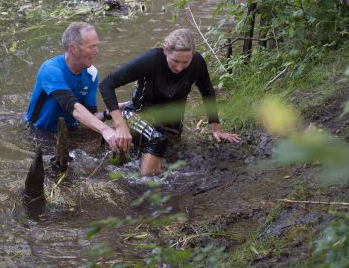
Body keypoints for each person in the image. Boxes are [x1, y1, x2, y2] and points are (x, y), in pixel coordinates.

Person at [99, 28, 241, 175]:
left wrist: (216, 128)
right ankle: (146, 185)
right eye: (175, 61)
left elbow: (207, 92)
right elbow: (107, 84)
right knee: (158, 139)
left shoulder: (197, 63)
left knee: (168, 148)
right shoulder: (151, 60)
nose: (179, 68)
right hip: (138, 114)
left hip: (171, 125)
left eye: (185, 62)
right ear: (165, 49)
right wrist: (120, 125)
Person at [26, 22, 120, 152]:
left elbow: (88, 120)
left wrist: (108, 113)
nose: (96, 52)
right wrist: (105, 129)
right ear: (73, 49)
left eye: (96, 46)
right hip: (40, 133)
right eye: (91, 47)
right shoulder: (51, 70)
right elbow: (73, 107)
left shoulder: (92, 74)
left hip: (72, 131)